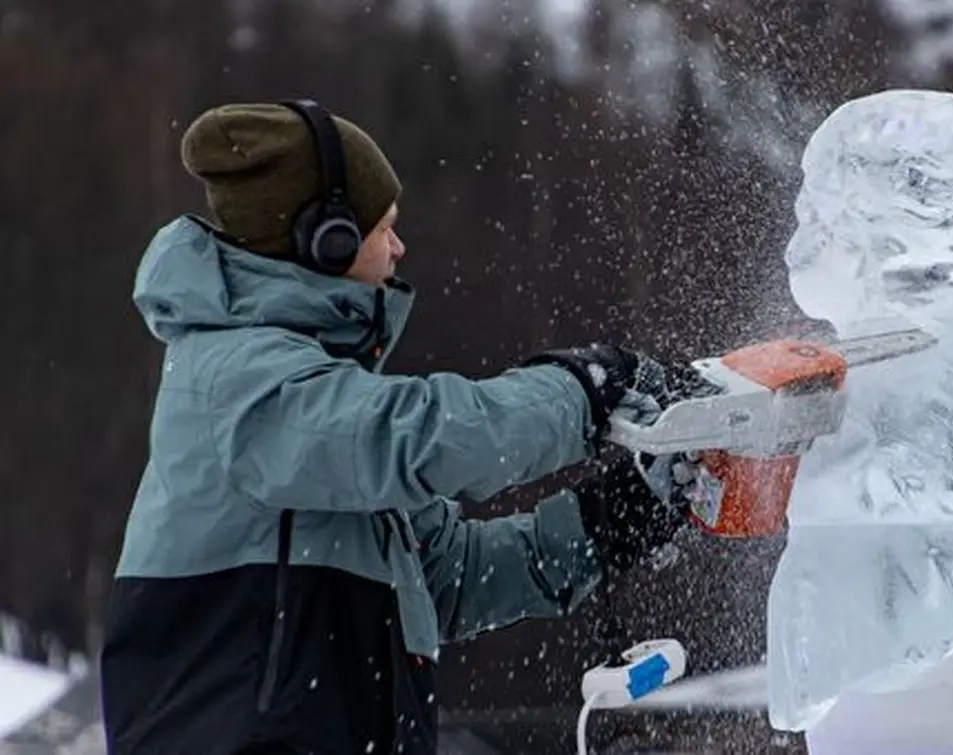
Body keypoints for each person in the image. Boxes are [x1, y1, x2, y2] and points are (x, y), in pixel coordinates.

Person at [99, 99, 699, 755]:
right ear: (324, 242)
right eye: (384, 226)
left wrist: (622, 511)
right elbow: (426, 438)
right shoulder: (241, 381)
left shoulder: (325, 421)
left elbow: (460, 577)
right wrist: (582, 389)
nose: (399, 246)